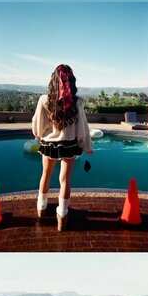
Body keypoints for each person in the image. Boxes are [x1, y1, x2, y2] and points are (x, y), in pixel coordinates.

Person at [31, 64, 93, 230]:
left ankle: (41, 208)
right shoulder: (77, 102)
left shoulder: (44, 100)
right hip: (69, 144)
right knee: (65, 180)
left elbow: (38, 125)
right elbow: (83, 127)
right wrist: (86, 145)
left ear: (53, 80)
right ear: (71, 80)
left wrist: (38, 134)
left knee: (46, 174)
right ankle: (63, 215)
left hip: (49, 144)